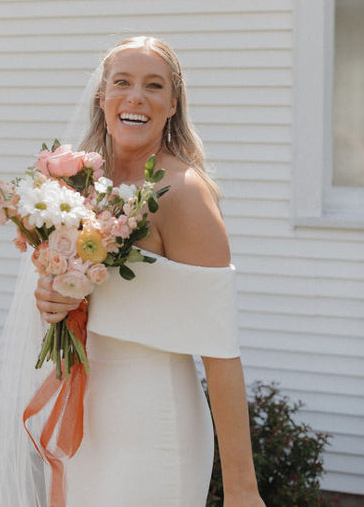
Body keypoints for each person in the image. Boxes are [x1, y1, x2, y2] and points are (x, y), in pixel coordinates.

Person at [32, 36, 265, 507]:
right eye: (122, 82)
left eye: (153, 86)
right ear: (103, 97)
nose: (135, 97)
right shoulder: (79, 187)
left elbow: (220, 349)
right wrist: (54, 297)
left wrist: (242, 488)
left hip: (152, 415)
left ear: (173, 104)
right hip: (87, 413)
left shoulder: (184, 193)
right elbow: (93, 299)